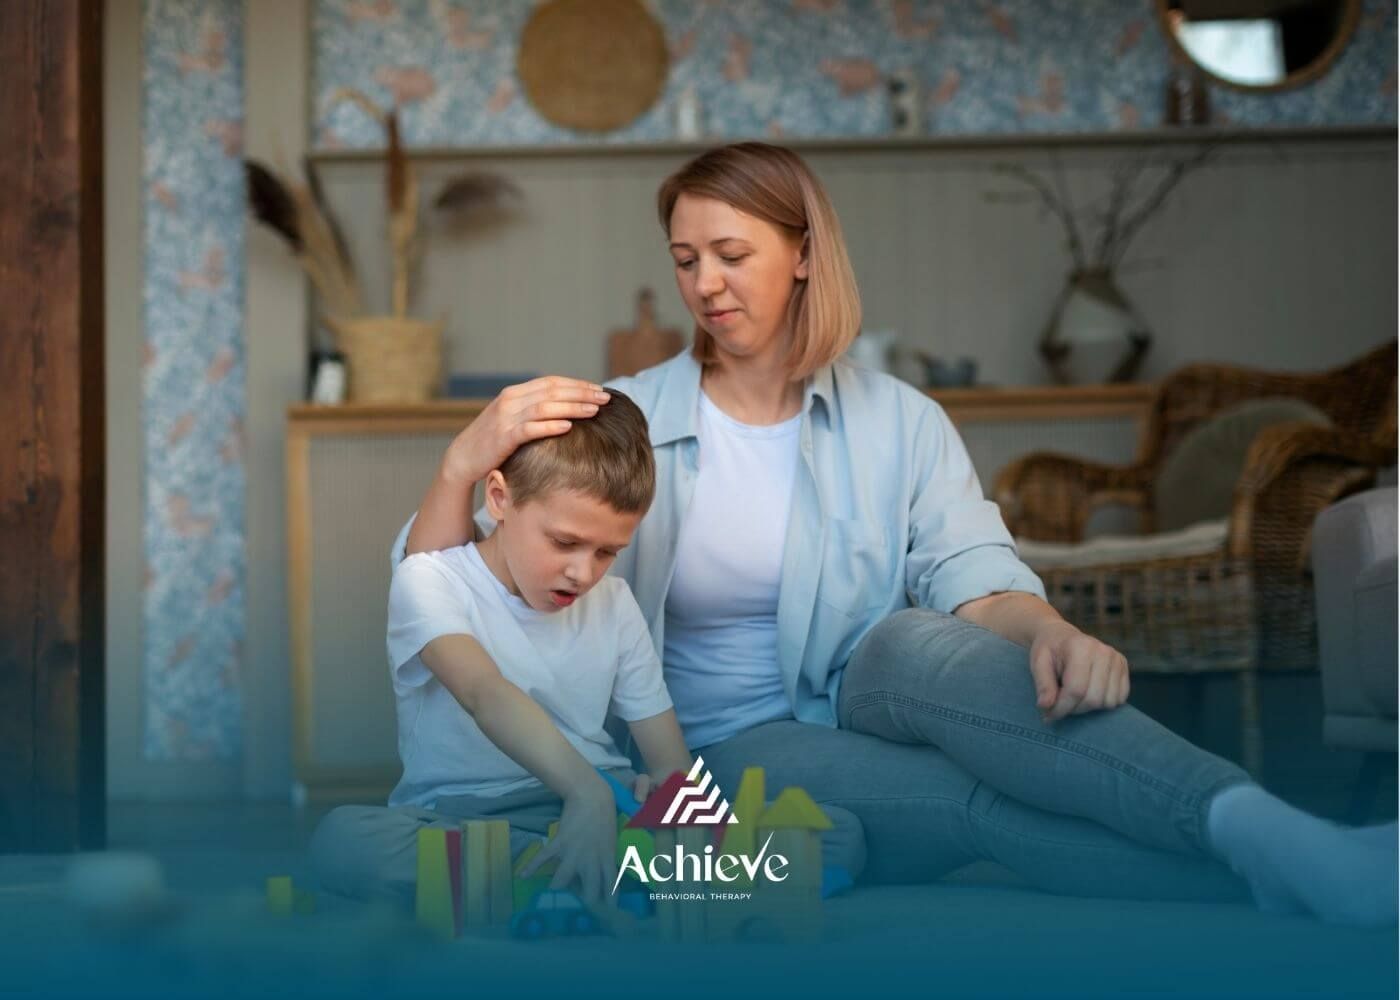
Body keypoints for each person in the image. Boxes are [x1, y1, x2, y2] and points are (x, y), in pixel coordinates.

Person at [363, 142, 1394, 926]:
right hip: (718, 749)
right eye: (685, 259)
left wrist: (1045, 632)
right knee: (973, 801)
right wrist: (462, 462)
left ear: (803, 255)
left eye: (731, 253)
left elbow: (970, 571)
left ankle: (1265, 830)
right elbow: (454, 573)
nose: (704, 283)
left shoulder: (896, 418)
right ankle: (1283, 870)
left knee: (914, 636)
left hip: (872, 690)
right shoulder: (620, 415)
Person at [311, 390, 867, 905]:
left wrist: (676, 816)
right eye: (565, 542)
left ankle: (575, 877)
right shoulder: (429, 580)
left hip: (610, 805)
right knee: (343, 840)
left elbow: (670, 762)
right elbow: (483, 691)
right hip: (471, 815)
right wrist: (585, 795)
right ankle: (599, 876)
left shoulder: (615, 604)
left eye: (606, 552)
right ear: (500, 498)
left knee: (838, 834)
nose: (583, 573)